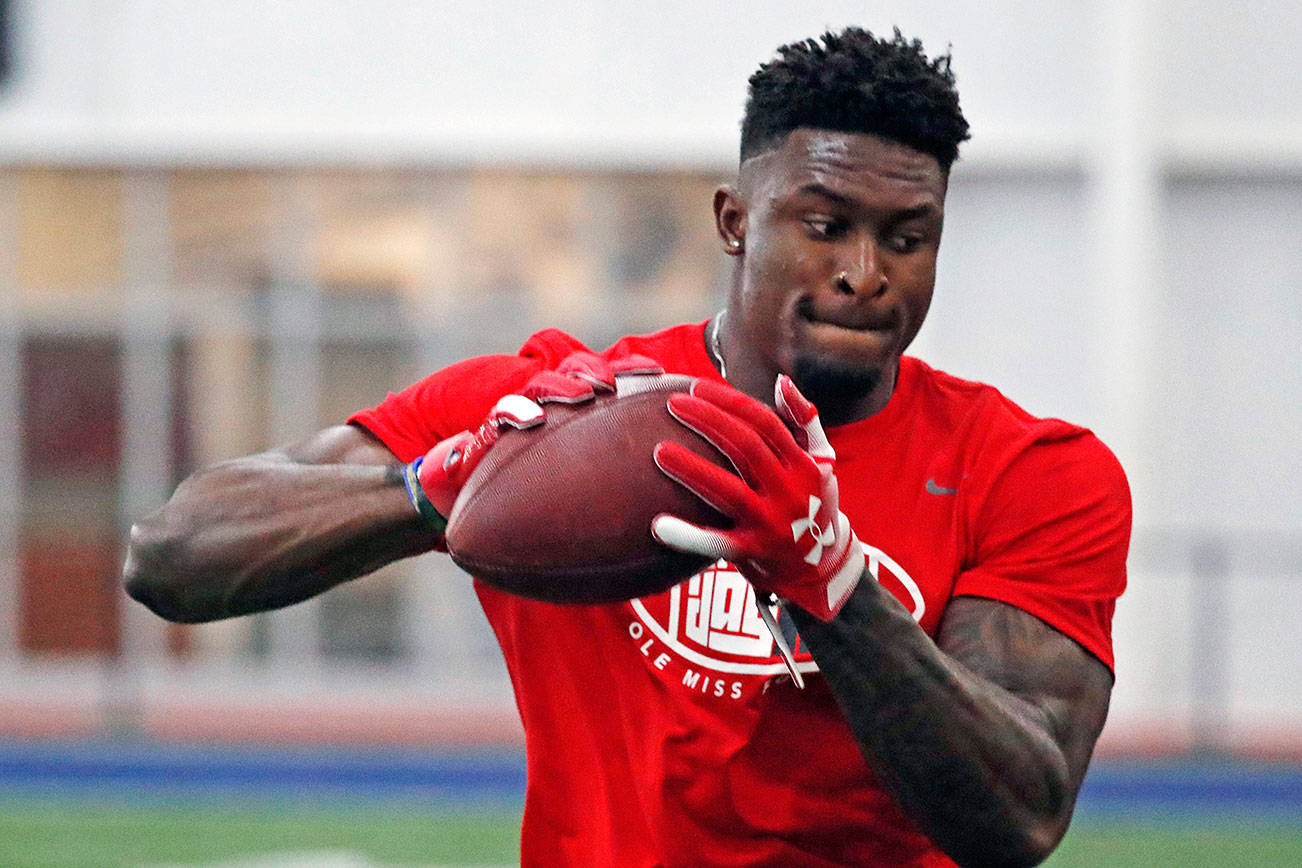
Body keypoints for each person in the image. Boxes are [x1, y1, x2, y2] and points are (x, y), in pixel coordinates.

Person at [124, 27, 1130, 868]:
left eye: (908, 238)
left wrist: (837, 588)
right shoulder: (557, 409)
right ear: (737, 222)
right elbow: (168, 558)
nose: (867, 273)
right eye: (825, 225)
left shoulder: (1033, 471)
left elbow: (1022, 813)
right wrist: (437, 484)